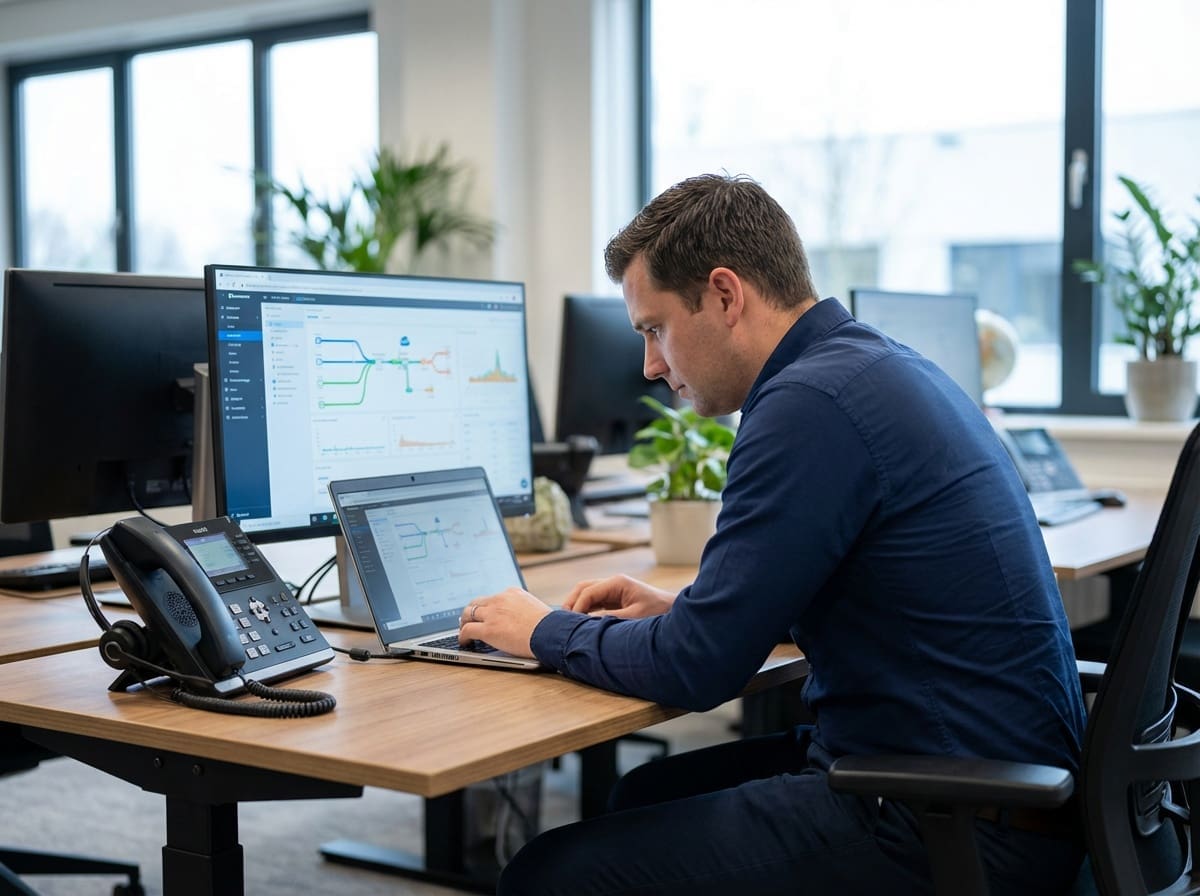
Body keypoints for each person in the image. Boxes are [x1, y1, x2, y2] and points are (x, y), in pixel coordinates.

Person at [460, 173, 1087, 895]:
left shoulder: (805, 406)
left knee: (547, 876)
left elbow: (695, 671)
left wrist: (541, 629)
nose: (651, 365)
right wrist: (686, 608)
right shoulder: (871, 367)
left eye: (655, 328)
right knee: (645, 796)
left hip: (948, 826)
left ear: (725, 296)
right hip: (999, 791)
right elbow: (855, 584)